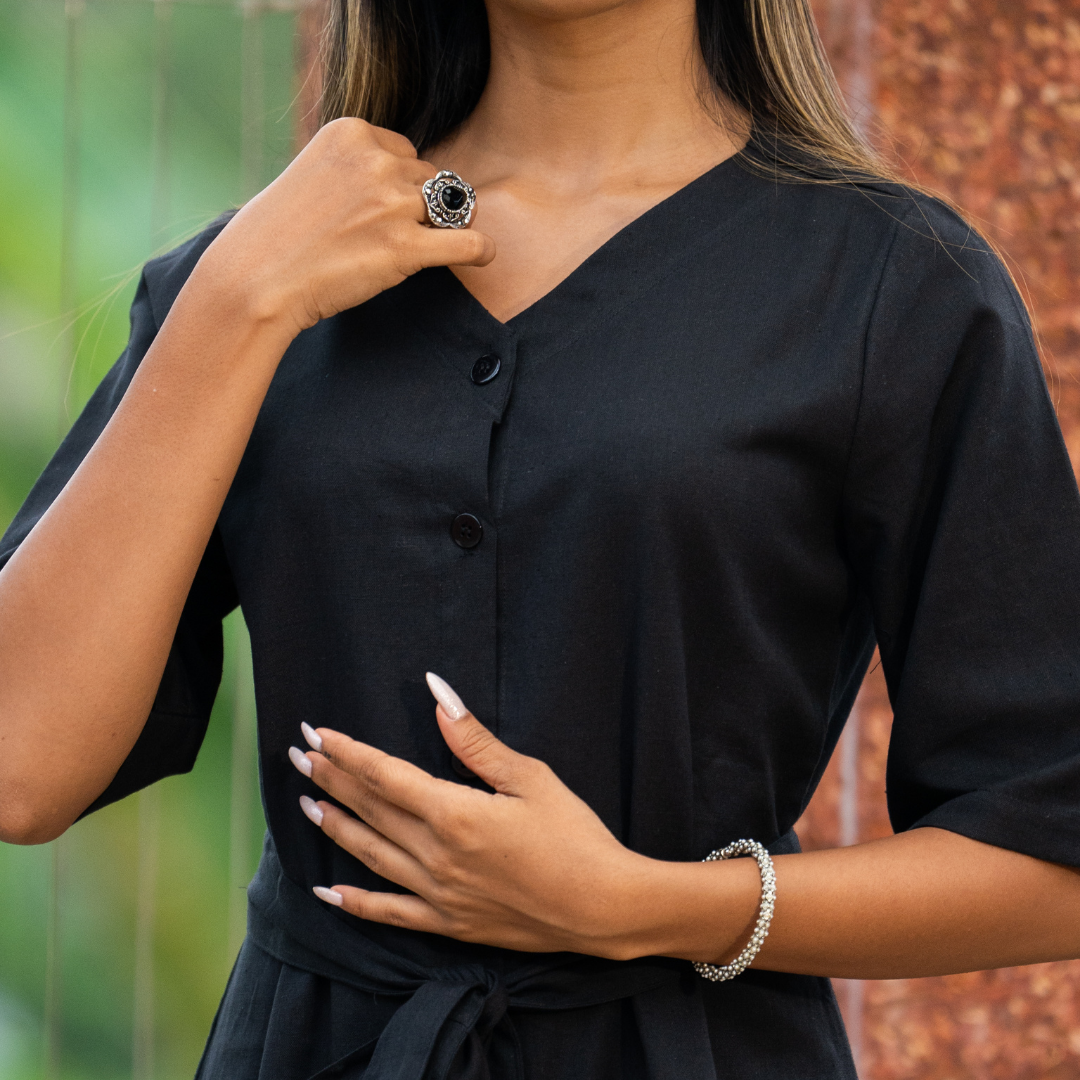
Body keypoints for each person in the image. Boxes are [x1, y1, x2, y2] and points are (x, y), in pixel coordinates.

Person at [1, 0, 1079, 1073]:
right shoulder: (258, 276)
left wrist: (651, 906)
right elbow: (20, 766)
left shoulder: (894, 287)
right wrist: (234, 303)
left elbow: (1051, 858)